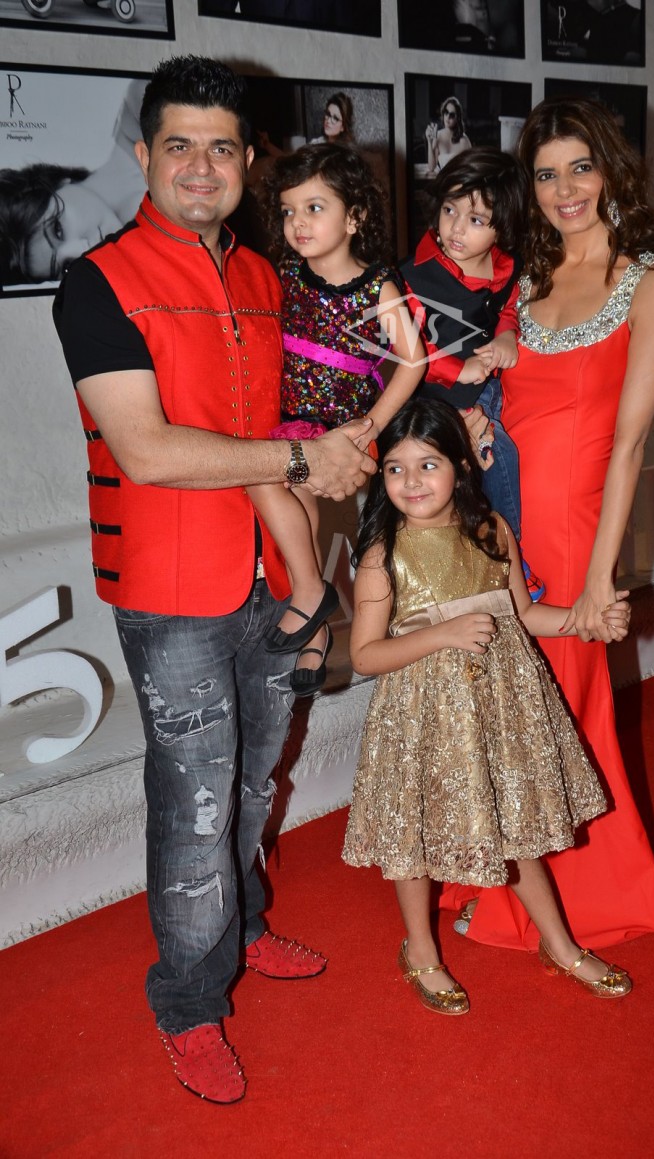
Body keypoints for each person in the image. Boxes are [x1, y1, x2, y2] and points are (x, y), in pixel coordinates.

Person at [52, 55, 376, 1105]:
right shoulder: (97, 281)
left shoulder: (263, 278)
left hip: (274, 579)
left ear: (248, 161)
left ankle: (241, 926)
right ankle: (190, 1000)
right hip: (170, 591)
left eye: (222, 147)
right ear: (143, 155)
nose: (201, 166)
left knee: (252, 782)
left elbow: (303, 417)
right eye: (179, 145)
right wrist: (303, 461)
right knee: (195, 801)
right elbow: (146, 450)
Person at [443, 96, 654, 952]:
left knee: (563, 713)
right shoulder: (527, 280)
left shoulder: (651, 284)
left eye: (581, 167)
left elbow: (630, 444)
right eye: (546, 175)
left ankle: (572, 897)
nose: (565, 189)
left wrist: (598, 582)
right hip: (500, 522)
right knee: (501, 703)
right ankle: (494, 870)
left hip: (576, 532)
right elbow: (501, 406)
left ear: (612, 169)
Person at [342, 398, 634, 1013]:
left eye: (428, 464)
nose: (411, 481)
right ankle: (421, 948)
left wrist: (587, 622)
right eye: (395, 468)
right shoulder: (382, 553)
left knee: (516, 824)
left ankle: (559, 944)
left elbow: (524, 615)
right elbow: (364, 655)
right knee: (414, 834)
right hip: (423, 714)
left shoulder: (491, 530)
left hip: (501, 708)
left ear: (461, 466)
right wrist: (441, 634)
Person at [251, 143, 424, 695]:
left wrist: (370, 425)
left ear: (355, 217)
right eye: (288, 211)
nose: (298, 223)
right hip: (291, 424)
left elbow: (414, 359)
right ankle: (314, 614)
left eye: (314, 208)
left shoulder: (377, 284)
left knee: (286, 490)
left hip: (348, 429)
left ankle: (312, 604)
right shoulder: (284, 275)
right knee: (275, 490)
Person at [400, 147, 545, 599]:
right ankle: (507, 556)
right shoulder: (415, 275)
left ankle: (488, 557)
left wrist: (506, 336)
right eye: (450, 210)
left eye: (477, 219)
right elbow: (402, 345)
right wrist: (456, 369)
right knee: (497, 454)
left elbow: (509, 309)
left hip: (489, 395)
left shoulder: (506, 267)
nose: (457, 228)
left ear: (504, 225)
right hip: (434, 401)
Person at [0, 78, 146, 287]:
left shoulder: (138, 113)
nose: (81, 251)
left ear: (58, 181)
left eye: (57, 229)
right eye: (66, 266)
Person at [425, 96, 471, 175]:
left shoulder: (464, 140)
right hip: (444, 179)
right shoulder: (438, 136)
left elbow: (470, 167)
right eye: (446, 112)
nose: (448, 117)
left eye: (452, 115)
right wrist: (429, 141)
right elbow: (431, 167)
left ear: (457, 118)